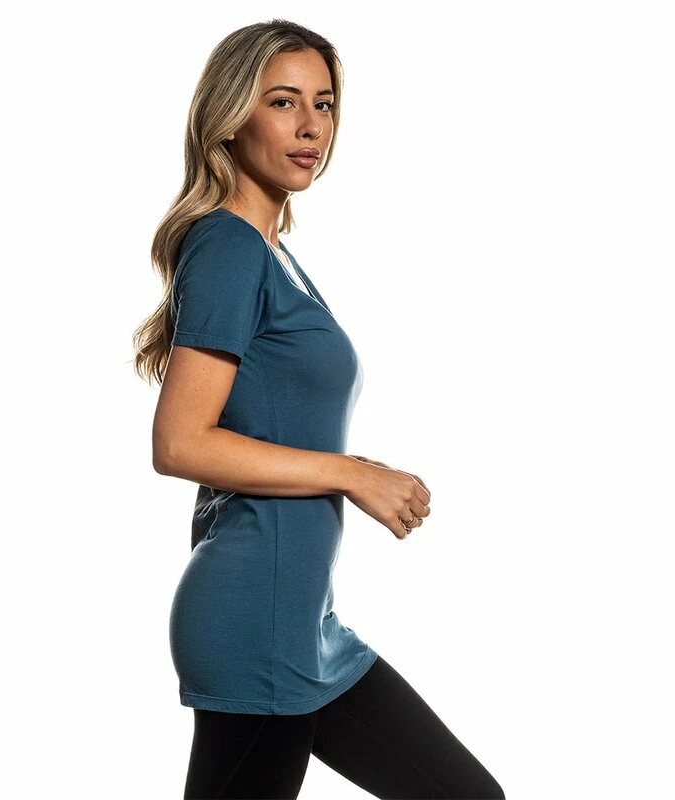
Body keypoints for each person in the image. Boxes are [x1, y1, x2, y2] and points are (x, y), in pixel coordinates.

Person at [133, 18, 505, 800]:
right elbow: (180, 443)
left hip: (308, 626)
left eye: (324, 104)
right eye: (283, 102)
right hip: (255, 621)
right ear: (231, 118)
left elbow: (264, 422)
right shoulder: (229, 247)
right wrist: (350, 476)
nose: (311, 126)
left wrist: (354, 467)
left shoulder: (273, 253)